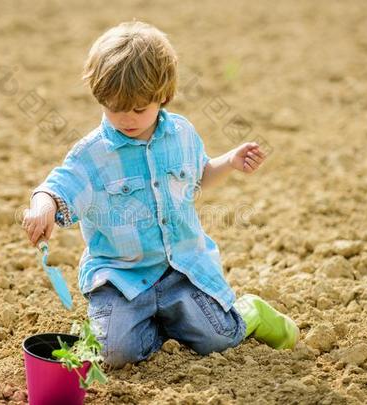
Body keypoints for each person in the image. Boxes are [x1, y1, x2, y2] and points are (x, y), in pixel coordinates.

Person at [23, 21, 298, 369]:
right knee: (112, 355)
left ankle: (251, 312)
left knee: (219, 339)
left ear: (163, 96)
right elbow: (59, 186)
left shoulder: (181, 134)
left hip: (179, 271)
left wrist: (229, 162)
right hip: (121, 278)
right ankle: (154, 325)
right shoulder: (92, 154)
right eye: (114, 107)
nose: (126, 118)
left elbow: (197, 178)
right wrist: (42, 206)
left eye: (139, 108)